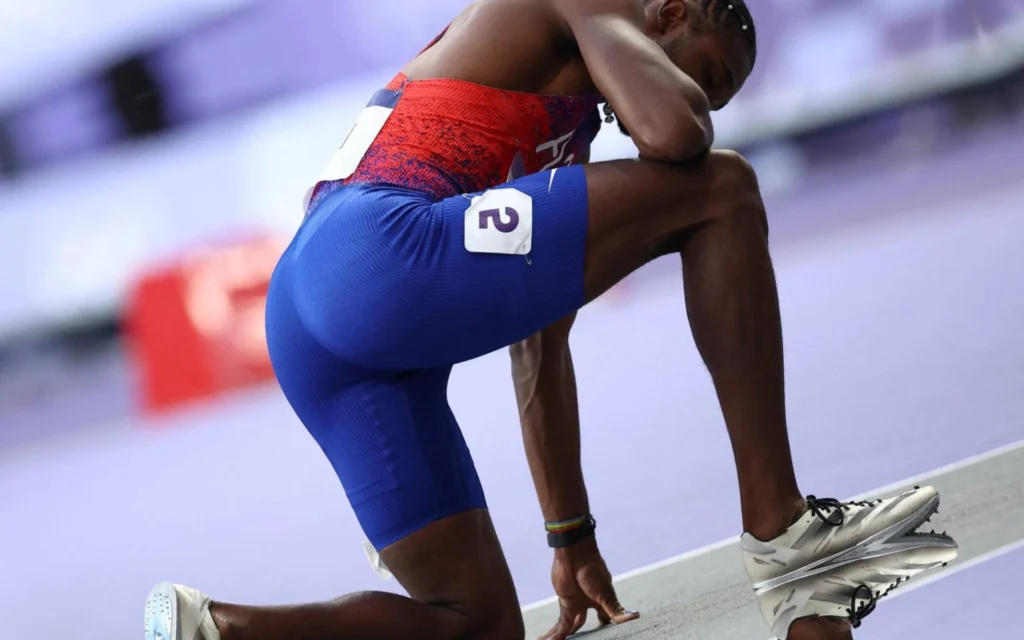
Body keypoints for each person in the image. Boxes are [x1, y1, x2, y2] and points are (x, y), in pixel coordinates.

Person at [144, 1, 957, 639]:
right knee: (724, 189)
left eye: (718, 93)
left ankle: (217, 628)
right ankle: (787, 540)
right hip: (373, 249)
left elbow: (540, 345)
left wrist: (569, 536)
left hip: (314, 321)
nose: (703, 99)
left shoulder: (562, 120)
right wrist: (676, 99)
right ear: (668, 11)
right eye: (706, 74)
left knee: (478, 622)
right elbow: (674, 133)